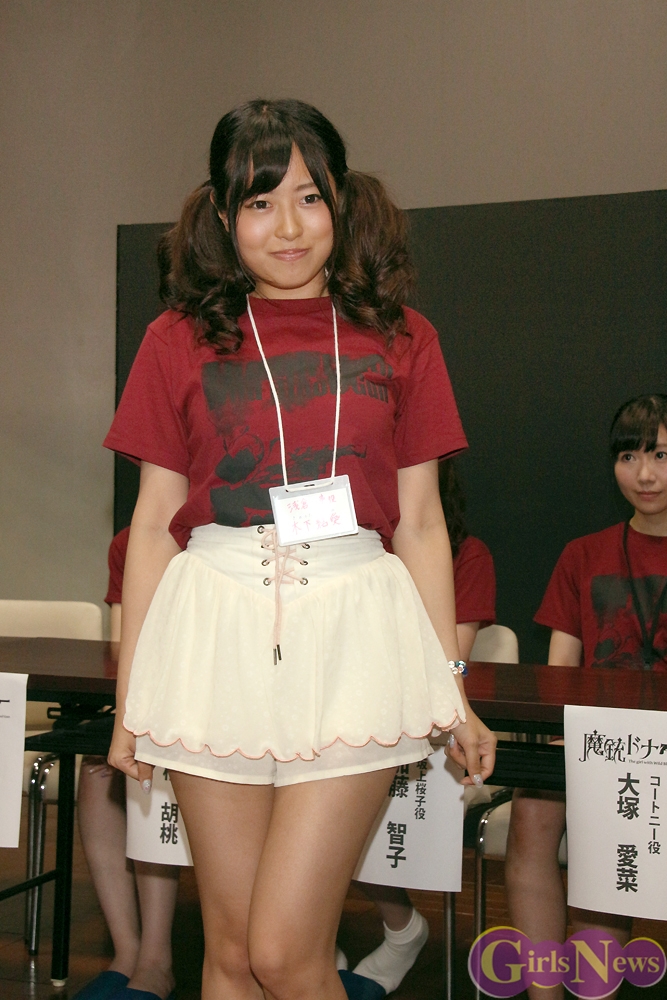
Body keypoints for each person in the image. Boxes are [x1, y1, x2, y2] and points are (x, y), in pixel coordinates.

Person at [104, 98, 496, 1000]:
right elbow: (154, 524)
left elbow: (421, 523)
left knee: (283, 951)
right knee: (231, 954)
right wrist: (133, 698)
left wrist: (449, 688)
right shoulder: (176, 339)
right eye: (259, 202)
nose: (287, 227)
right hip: (213, 633)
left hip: (354, 633)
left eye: (308, 198)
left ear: (341, 202)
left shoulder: (403, 335)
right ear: (222, 214)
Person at [504, 393, 667, 1000]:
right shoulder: (583, 554)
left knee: (610, 826)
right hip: (596, 738)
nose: (644, 474)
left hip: (657, 749)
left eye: (661, 455)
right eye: (629, 457)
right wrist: (564, 741)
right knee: (531, 814)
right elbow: (560, 674)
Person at [347, 459, 496, 995]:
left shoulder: (466, 554)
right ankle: (310, 942)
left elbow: (449, 661)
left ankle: (401, 925)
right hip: (344, 709)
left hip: (426, 726)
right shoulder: (347, 544)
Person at [74, 527, 178, 1000]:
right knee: (99, 770)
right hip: (154, 700)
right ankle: (127, 952)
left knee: (151, 770)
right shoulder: (130, 542)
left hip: (225, 705)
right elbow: (123, 652)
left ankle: (156, 960)